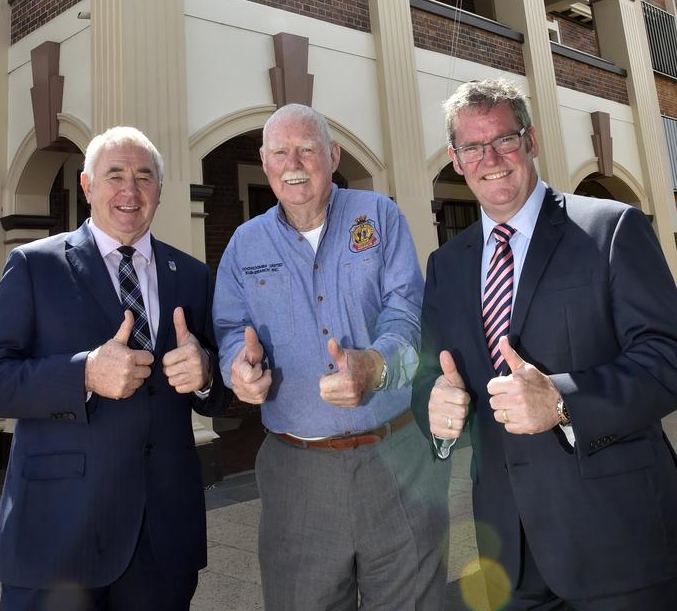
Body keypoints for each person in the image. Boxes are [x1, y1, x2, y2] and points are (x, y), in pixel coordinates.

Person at [419, 78, 677, 610]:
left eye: (504, 140)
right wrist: (434, 408)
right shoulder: (447, 265)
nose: (491, 157)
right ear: (456, 159)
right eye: (473, 146)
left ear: (530, 141)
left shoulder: (610, 228)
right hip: (509, 551)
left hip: (616, 537)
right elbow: (434, 374)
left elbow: (666, 359)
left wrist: (562, 401)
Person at [0, 126, 227, 611]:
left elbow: (221, 390)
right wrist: (82, 373)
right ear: (86, 186)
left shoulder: (191, 275)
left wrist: (207, 374)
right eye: (115, 175)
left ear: (160, 191)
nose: (130, 190)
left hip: (162, 536)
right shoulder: (34, 266)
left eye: (144, 177)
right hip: (59, 533)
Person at [213, 103, 448, 611]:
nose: (292, 162)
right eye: (280, 151)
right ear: (264, 160)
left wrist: (377, 365)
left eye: (307, 149)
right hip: (296, 471)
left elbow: (406, 313)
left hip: (398, 460)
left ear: (334, 156)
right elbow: (232, 329)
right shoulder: (244, 244)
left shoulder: (378, 216)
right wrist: (239, 366)